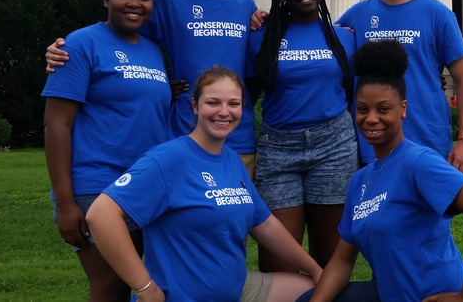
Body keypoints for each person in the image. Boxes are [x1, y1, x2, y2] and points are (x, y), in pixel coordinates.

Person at [47, 0, 260, 178]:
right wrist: (65, 48)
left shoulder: (246, 5)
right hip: (183, 134)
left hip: (238, 140)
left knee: (237, 216)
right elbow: (123, 31)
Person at [85, 67, 322, 302]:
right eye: (213, 102)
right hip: (183, 297)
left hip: (236, 290)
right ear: (195, 106)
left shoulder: (231, 159)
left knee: (314, 290)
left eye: (233, 104)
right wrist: (145, 287)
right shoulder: (168, 159)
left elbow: (265, 225)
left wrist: (315, 269)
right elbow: (100, 214)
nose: (224, 112)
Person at [296, 39, 463, 302]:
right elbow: (343, 261)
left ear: (402, 108)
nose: (371, 119)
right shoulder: (360, 181)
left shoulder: (418, 161)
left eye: (383, 109)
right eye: (362, 110)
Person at [42, 0, 170, 302]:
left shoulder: (152, 50)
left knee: (143, 282)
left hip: (145, 187)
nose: (134, 3)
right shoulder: (80, 44)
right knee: (110, 286)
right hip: (96, 188)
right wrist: (66, 204)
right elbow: (56, 125)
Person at [335, 0, 463, 175]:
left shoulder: (438, 14)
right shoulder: (356, 16)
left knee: (429, 214)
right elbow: (317, 40)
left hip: (428, 145)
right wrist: (269, 19)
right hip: (371, 150)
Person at [247, 0, 357, 271]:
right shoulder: (262, 37)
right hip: (278, 148)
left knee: (330, 255)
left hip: (334, 147)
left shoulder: (343, 37)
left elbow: (349, 92)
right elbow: (249, 93)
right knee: (277, 260)